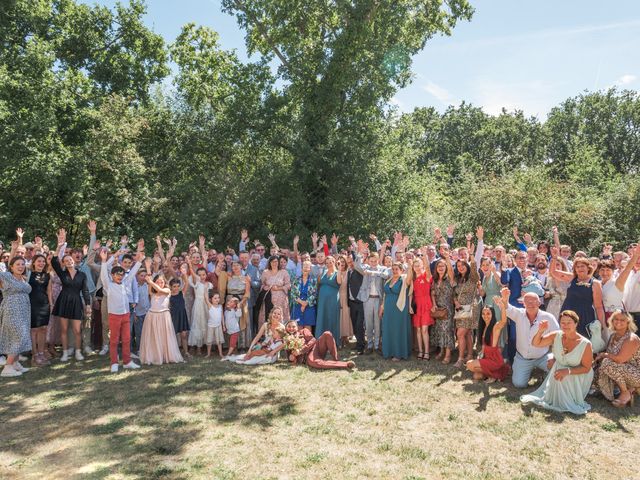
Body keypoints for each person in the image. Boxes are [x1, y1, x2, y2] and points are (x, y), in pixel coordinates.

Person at [521, 310, 593, 415]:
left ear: (576, 324)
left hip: (579, 373)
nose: (565, 325)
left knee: (562, 376)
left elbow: (586, 368)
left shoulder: (585, 344)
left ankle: (569, 399)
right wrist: (540, 331)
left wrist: (567, 371)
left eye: (569, 322)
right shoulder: (556, 335)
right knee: (559, 375)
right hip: (559, 369)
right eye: (563, 322)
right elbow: (536, 343)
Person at [99, 246, 143, 373]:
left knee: (127, 339)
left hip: (126, 315)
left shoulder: (125, 282)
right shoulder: (108, 286)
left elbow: (133, 272)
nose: (120, 277)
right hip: (114, 316)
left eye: (121, 275)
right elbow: (103, 274)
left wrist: (139, 261)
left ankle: (127, 361)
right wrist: (103, 260)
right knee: (114, 340)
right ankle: (114, 362)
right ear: (112, 275)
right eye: (117, 275)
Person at [504, 289, 560, 388]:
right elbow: (507, 308)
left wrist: (555, 358)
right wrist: (505, 297)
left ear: (539, 303)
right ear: (523, 303)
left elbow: (558, 338)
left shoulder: (549, 317)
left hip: (543, 356)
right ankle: (527, 371)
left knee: (557, 367)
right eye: (528, 301)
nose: (531, 304)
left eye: (534, 301)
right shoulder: (519, 314)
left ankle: (545, 374)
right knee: (519, 384)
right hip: (523, 358)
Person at [51, 229, 92, 362]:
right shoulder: (62, 274)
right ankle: (64, 352)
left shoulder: (82, 275)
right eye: (66, 260)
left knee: (77, 330)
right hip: (63, 301)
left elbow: (85, 291)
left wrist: (88, 305)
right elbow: (53, 261)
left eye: (70, 260)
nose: (69, 261)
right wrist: (59, 246)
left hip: (76, 302)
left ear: (74, 261)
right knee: (64, 329)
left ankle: (78, 351)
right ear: (64, 263)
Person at [550, 247, 605, 339]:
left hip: (585, 316)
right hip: (568, 313)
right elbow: (553, 272)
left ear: (588, 268)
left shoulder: (595, 283)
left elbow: (598, 307)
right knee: (565, 339)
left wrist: (601, 324)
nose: (580, 268)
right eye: (577, 267)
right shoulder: (572, 278)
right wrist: (554, 258)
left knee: (583, 341)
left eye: (582, 266)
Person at [139, 259, 184, 365]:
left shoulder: (167, 291)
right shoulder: (152, 292)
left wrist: (151, 282)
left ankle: (165, 355)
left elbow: (159, 290)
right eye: (158, 282)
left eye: (162, 282)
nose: (160, 283)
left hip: (164, 316)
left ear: (165, 283)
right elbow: (151, 289)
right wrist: (148, 268)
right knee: (154, 338)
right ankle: (154, 356)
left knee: (164, 338)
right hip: (152, 316)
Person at [593, 310, 640, 407]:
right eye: (616, 319)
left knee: (607, 363)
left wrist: (604, 355)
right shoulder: (613, 336)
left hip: (636, 375)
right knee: (597, 369)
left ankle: (626, 392)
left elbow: (619, 360)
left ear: (628, 321)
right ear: (612, 321)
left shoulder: (631, 338)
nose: (619, 322)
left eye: (622, 320)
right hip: (622, 371)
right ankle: (623, 390)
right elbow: (611, 355)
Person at [466, 290, 510, 382]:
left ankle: (496, 373)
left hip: (494, 359)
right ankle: (493, 374)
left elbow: (503, 321)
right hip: (486, 357)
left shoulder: (495, 327)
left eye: (488, 313)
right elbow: (483, 346)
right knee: (476, 376)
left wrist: (502, 307)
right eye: (483, 313)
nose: (485, 316)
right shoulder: (483, 327)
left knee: (469, 364)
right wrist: (480, 355)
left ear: (492, 314)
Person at [0, 252, 32, 377]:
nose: (21, 266)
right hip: (12, 310)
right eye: (17, 264)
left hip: (23, 311)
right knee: (17, 336)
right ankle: (7, 367)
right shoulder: (7, 276)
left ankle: (15, 363)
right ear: (11, 266)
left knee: (20, 335)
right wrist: (13, 249)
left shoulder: (23, 278)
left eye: (23, 264)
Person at [284, 320, 355, 369]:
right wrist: (291, 357)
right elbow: (289, 356)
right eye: (289, 327)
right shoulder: (286, 340)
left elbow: (313, 340)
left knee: (327, 334)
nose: (291, 328)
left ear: (297, 327)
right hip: (307, 357)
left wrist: (301, 350)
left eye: (293, 326)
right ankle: (345, 364)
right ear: (286, 328)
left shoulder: (303, 331)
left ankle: (335, 359)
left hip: (316, 348)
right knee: (313, 362)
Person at [379, 262, 412, 361]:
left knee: (398, 330)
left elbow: (410, 278)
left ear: (401, 270)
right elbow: (385, 296)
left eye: (397, 269)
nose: (394, 271)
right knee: (388, 329)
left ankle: (398, 353)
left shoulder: (404, 279)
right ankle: (388, 352)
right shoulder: (388, 280)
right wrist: (382, 308)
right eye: (393, 269)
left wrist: (410, 266)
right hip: (388, 309)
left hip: (399, 309)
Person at [453, 257, 480, 367]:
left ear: (467, 266)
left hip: (471, 309)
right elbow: (454, 293)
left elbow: (474, 269)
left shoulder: (472, 277)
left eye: (463, 265)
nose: (460, 268)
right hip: (460, 310)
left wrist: (472, 258)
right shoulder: (458, 279)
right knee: (467, 333)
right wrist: (456, 302)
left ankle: (460, 358)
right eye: (458, 266)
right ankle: (469, 355)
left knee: (460, 333)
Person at [431, 254, 456, 364]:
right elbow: (432, 293)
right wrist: (433, 304)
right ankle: (441, 351)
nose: (441, 268)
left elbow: (451, 270)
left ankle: (448, 355)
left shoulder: (449, 278)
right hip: (438, 309)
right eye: (438, 266)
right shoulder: (435, 280)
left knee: (447, 331)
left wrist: (447, 258)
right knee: (439, 330)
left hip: (448, 308)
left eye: (443, 266)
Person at [28, 254, 51, 366]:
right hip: (32, 305)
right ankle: (35, 355)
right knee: (34, 330)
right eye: (39, 261)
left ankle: (41, 353)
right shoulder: (28, 274)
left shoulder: (47, 275)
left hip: (44, 305)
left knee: (43, 329)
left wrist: (51, 305)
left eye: (43, 261)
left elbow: (49, 291)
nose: (41, 263)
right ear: (33, 263)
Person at [409, 257, 433, 360]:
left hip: (426, 304)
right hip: (416, 305)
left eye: (419, 265)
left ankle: (427, 352)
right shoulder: (413, 278)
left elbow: (428, 268)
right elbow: (410, 293)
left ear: (422, 265)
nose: (417, 267)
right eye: (415, 266)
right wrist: (410, 305)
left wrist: (424, 254)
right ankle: (420, 351)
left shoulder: (426, 276)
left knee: (424, 330)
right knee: (418, 330)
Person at [186, 258, 212, 354]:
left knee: (205, 323)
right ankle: (198, 347)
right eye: (200, 275)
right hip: (198, 305)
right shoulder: (196, 283)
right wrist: (189, 264)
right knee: (197, 324)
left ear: (206, 275)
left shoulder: (209, 284)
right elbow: (192, 273)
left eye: (203, 275)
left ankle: (206, 345)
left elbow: (210, 296)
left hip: (206, 305)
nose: (202, 277)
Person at [257, 256, 291, 327]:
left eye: (276, 261)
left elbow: (288, 285)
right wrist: (265, 287)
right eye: (272, 262)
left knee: (280, 316)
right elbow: (262, 284)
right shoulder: (265, 272)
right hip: (268, 298)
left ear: (278, 262)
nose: (274, 263)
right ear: (269, 263)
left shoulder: (284, 272)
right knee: (268, 316)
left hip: (281, 300)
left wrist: (279, 288)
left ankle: (281, 333)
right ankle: (267, 334)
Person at [315, 256, 342, 344]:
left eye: (330, 262)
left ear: (334, 262)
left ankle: (333, 341)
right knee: (322, 317)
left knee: (332, 317)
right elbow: (319, 282)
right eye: (327, 263)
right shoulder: (323, 271)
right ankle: (321, 341)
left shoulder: (337, 272)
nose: (329, 264)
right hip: (322, 300)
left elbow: (339, 282)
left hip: (332, 300)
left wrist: (340, 269)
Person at [225, 261, 251, 349]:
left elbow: (247, 293)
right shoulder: (229, 277)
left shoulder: (246, 278)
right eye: (233, 265)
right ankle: (230, 345)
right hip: (229, 300)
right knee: (230, 321)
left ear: (241, 267)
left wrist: (240, 303)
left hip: (242, 301)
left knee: (241, 321)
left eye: (237, 265)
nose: (235, 267)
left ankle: (242, 345)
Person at [290, 260, 317, 331]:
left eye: (307, 267)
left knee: (308, 326)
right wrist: (302, 303)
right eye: (304, 267)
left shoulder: (313, 280)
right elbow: (293, 293)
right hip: (298, 304)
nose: (305, 269)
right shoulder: (296, 279)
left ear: (310, 269)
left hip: (309, 305)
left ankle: (308, 342)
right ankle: (299, 342)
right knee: (298, 325)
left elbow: (314, 294)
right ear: (301, 268)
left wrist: (305, 304)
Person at [169, 277, 190, 358]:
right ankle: (173, 352)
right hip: (174, 316)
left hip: (182, 315)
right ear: (171, 287)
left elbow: (187, 283)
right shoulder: (169, 295)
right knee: (173, 335)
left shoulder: (182, 293)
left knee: (184, 335)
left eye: (178, 286)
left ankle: (186, 352)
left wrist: (184, 274)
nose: (176, 288)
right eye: (174, 286)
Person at [337, 255, 353, 347]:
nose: (341, 263)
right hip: (337, 297)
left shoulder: (349, 272)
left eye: (343, 261)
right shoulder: (335, 272)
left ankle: (346, 337)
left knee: (346, 316)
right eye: (339, 262)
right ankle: (339, 337)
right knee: (339, 316)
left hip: (346, 296)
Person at [204, 292, 224, 358]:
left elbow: (222, 316)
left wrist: (223, 325)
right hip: (210, 326)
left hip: (218, 326)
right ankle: (208, 353)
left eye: (218, 298)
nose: (217, 299)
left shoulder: (220, 306)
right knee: (209, 340)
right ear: (211, 299)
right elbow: (206, 298)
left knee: (219, 341)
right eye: (215, 298)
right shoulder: (210, 306)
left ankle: (220, 353)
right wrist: (206, 289)